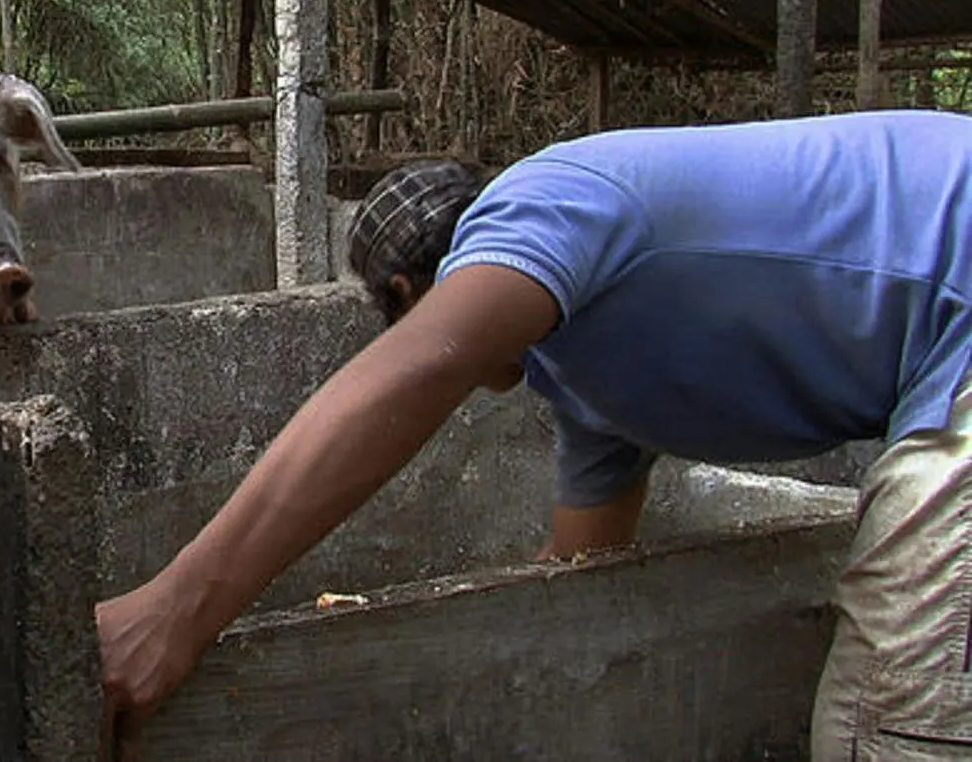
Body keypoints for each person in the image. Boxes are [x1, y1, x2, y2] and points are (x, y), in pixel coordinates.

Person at [95, 108, 972, 762]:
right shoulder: (587, 380)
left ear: (410, 293)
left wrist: (175, 612)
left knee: (886, 729)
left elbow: (415, 371)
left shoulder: (540, 202)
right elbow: (575, 580)